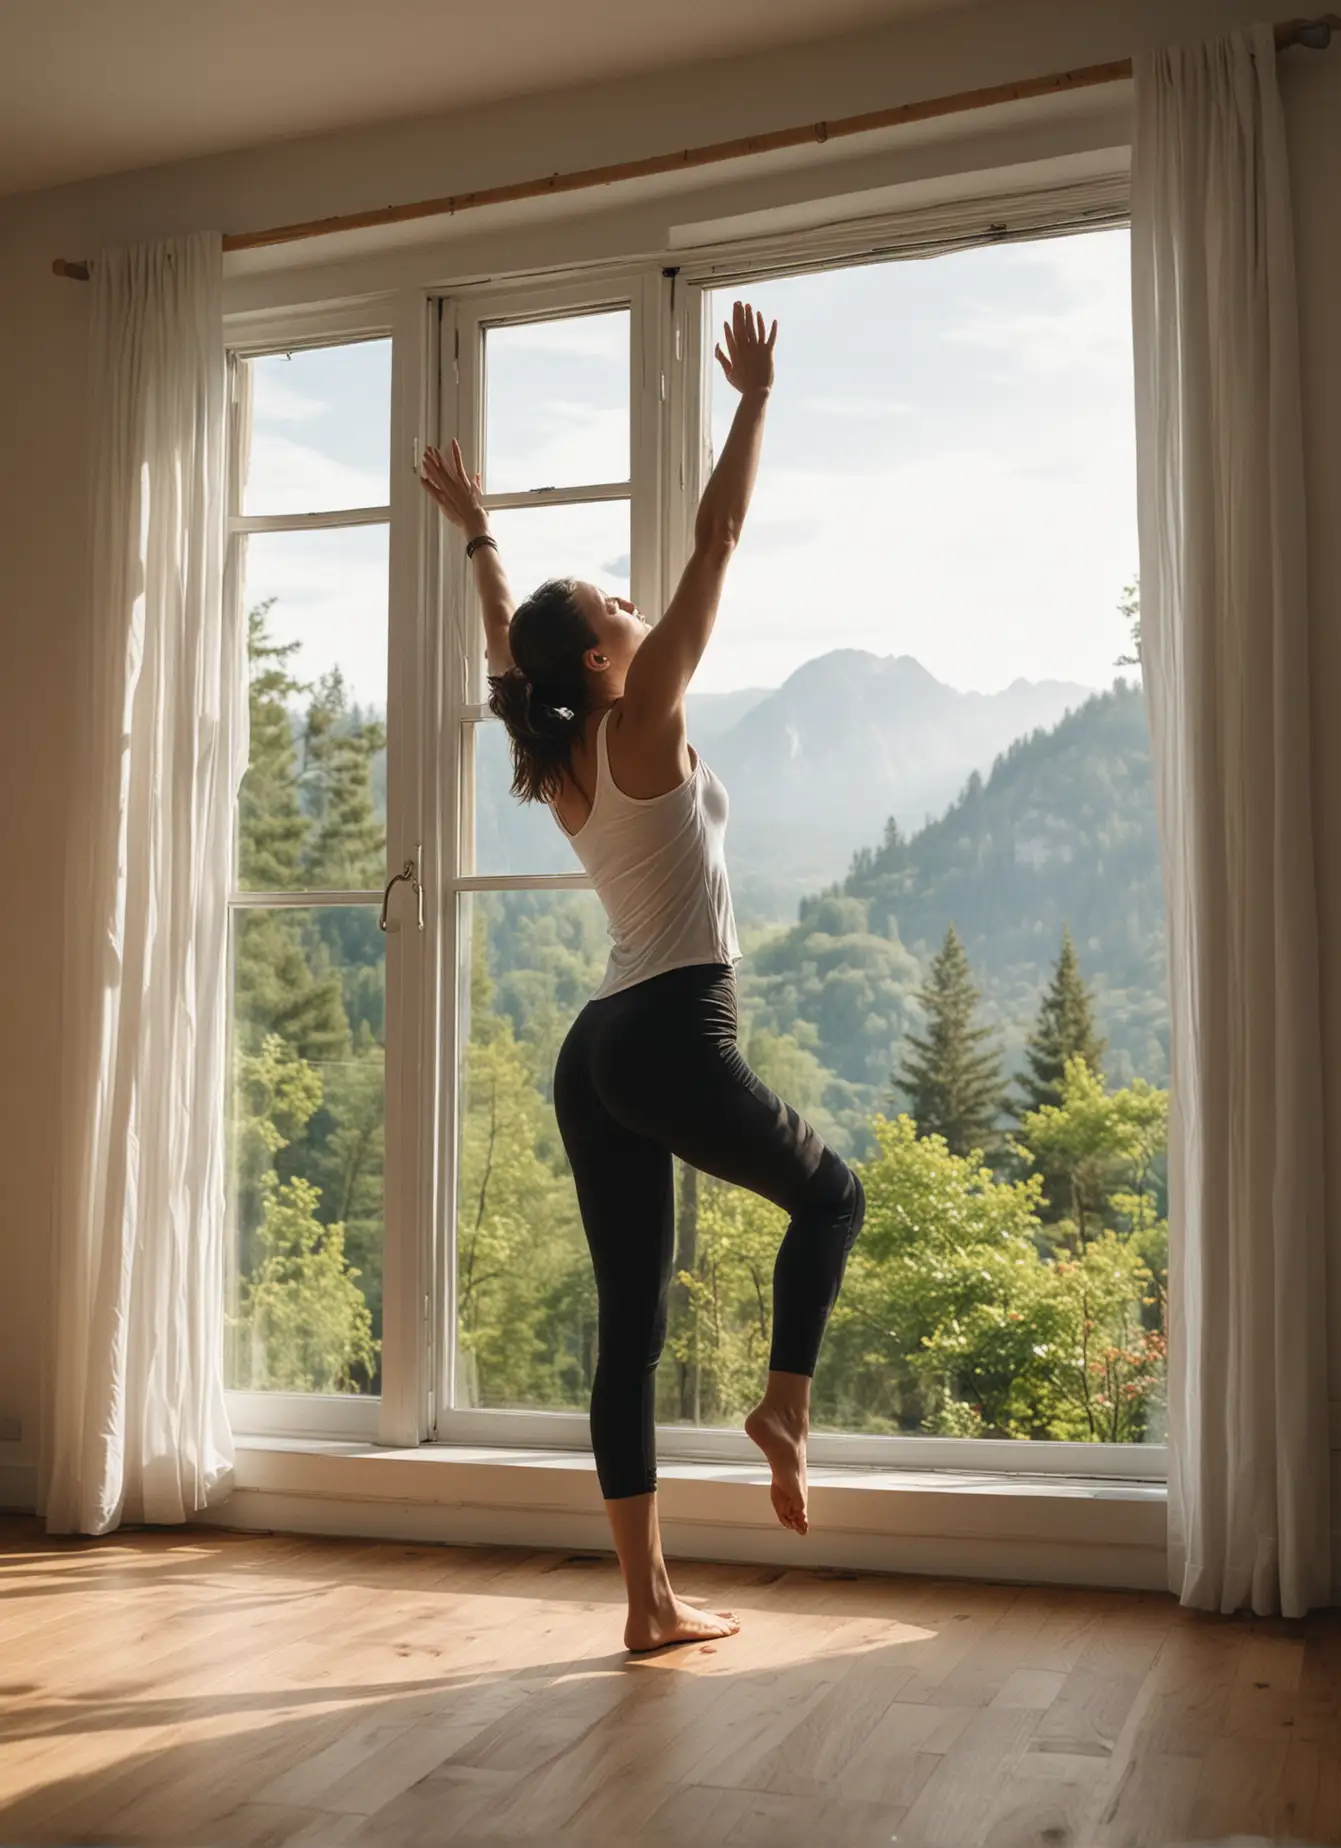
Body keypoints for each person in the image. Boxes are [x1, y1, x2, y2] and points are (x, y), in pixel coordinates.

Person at [420, 302, 865, 1652]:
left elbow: (511, 646)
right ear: (610, 659)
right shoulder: (646, 715)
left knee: (631, 1323)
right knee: (833, 1196)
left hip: (595, 1050)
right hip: (667, 1035)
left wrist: (480, 530)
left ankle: (648, 1606)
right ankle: (784, 1407)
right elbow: (716, 541)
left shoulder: (555, 746)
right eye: (619, 605)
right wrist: (750, 402)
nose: (634, 601)